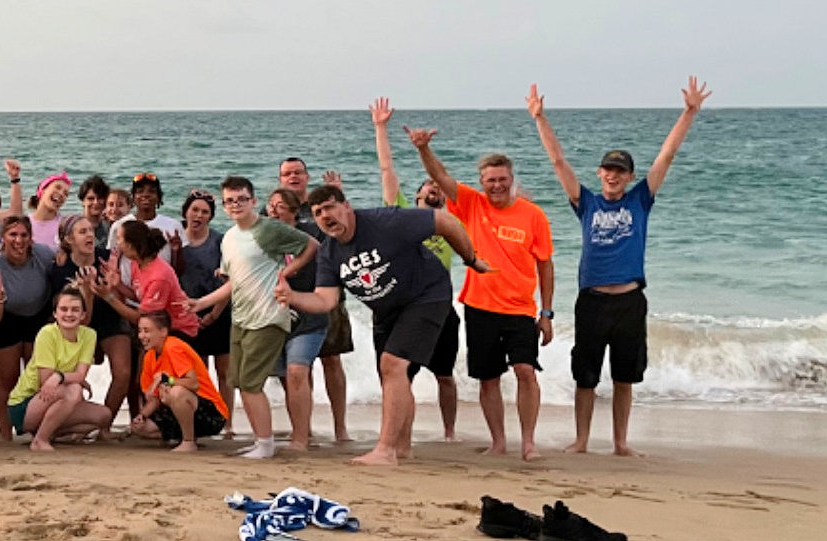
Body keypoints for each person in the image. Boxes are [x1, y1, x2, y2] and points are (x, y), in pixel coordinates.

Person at [528, 78, 711, 457]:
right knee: (586, 378)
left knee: (625, 377)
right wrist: (539, 118)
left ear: (628, 177)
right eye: (607, 170)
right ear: (599, 174)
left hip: (629, 301)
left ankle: (620, 443)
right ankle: (581, 440)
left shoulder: (641, 200)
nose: (613, 175)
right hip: (592, 302)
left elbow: (666, 157)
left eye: (620, 171)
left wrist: (689, 113)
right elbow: (558, 162)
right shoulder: (587, 203)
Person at [281, 185, 489, 466]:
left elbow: (445, 221)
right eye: (318, 213)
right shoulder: (329, 253)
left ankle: (386, 450)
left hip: (426, 296)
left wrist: (470, 259)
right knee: (393, 376)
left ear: (347, 206)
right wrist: (292, 297)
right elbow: (326, 300)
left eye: (330, 207)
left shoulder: (385, 221)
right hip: (386, 310)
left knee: (392, 365)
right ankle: (402, 447)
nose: (325, 216)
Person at [411, 126, 556, 462]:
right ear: (482, 183)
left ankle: (529, 443)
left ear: (511, 178)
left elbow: (546, 266)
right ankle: (499, 441)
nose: (497, 185)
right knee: (488, 378)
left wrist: (546, 314)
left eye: (502, 179)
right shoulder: (472, 205)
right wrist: (423, 149)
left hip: (520, 308)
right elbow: (440, 176)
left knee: (525, 371)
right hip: (480, 307)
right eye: (490, 180)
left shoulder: (533, 215)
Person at [188, 176, 317, 459]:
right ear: (224, 206)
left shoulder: (268, 229)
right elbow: (234, 281)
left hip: (269, 316)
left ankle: (266, 445)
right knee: (239, 381)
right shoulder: (230, 238)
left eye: (241, 199)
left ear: (253, 201)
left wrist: (285, 274)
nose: (236, 205)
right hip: (241, 318)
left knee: (250, 382)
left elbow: (311, 246)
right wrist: (202, 303)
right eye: (230, 201)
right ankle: (261, 441)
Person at [373, 98, 463, 442]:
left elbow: (450, 181)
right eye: (428, 186)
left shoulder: (451, 221)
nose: (434, 188)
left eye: (437, 187)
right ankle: (399, 435)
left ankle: (450, 432)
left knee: (445, 376)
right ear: (416, 196)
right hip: (404, 309)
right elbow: (387, 171)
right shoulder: (400, 218)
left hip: (441, 308)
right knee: (400, 376)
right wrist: (380, 128)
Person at [270, 157, 353, 445]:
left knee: (332, 361)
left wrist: (337, 195)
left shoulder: (321, 206)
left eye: (298, 172)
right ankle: (304, 428)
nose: (292, 177)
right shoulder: (274, 210)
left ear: (307, 176)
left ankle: (341, 428)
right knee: (296, 367)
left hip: (326, 295)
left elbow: (346, 235)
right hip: (289, 302)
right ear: (280, 179)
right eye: (286, 173)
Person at [94, 220, 199, 422]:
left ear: (133, 244)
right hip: (158, 327)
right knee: (143, 376)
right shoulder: (138, 263)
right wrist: (119, 286)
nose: (117, 244)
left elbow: (144, 317)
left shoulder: (158, 274)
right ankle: (148, 421)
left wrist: (109, 297)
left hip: (179, 329)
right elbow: (141, 296)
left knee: (153, 377)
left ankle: (167, 424)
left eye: (120, 239)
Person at [262, 187, 330, 451]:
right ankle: (302, 429)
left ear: (293, 211)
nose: (273, 210)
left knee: (297, 371)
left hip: (310, 316)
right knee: (284, 376)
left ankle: (300, 439)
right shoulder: (262, 237)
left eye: (279, 206)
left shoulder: (312, 233)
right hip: (276, 317)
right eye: (270, 206)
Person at [0, 216, 60, 441]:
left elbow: (63, 262)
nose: (19, 240)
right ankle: (5, 435)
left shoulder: (43, 255)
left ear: (31, 239)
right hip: (6, 320)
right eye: (13, 235)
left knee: (35, 377)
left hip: (38, 317)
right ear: (3, 238)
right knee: (7, 378)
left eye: (24, 235)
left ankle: (37, 429)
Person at [50, 215, 134, 424]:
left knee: (123, 372)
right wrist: (87, 292)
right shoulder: (61, 270)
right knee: (71, 376)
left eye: (90, 231)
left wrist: (114, 285)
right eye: (82, 232)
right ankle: (70, 420)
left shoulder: (108, 259)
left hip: (111, 319)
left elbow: (130, 293)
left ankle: (104, 424)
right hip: (77, 326)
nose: (90, 235)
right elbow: (79, 322)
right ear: (69, 240)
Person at [6, 288, 114, 452]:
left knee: (104, 416)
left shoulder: (89, 335)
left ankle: (51, 433)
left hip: (57, 395)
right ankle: (40, 440)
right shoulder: (47, 333)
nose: (69, 314)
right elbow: (46, 381)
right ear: (55, 313)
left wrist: (61, 376)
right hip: (25, 404)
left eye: (75, 310)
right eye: (63, 309)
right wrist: (67, 379)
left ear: (83, 314)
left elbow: (80, 374)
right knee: (74, 390)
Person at [176, 189, 237, 438]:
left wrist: (213, 313)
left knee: (225, 373)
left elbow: (230, 280)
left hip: (219, 313)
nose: (198, 215)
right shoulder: (176, 239)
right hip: (189, 316)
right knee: (198, 373)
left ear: (210, 217)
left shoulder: (220, 241)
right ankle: (204, 421)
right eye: (195, 210)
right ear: (186, 212)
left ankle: (228, 422)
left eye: (204, 212)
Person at [128, 311, 229, 452]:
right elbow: (154, 399)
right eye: (140, 331)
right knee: (141, 428)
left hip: (211, 411)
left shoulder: (173, 347)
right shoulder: (149, 356)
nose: (141, 336)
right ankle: (181, 436)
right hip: (181, 407)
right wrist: (142, 415)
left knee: (176, 392)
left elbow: (193, 384)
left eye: (147, 331)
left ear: (163, 332)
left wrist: (167, 379)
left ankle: (189, 441)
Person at [107, 173, 185, 264]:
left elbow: (179, 271)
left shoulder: (174, 226)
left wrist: (178, 251)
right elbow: (112, 261)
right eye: (140, 191)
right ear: (133, 198)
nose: (146, 194)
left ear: (159, 197)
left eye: (152, 191)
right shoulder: (119, 226)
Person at [27, 170, 71, 250]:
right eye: (57, 187)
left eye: (66, 194)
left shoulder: (65, 226)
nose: (61, 194)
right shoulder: (25, 223)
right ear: (43, 190)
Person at [76, 175, 113, 250]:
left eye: (100, 198)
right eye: (91, 198)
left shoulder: (111, 227)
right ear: (83, 201)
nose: (96, 202)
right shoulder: (74, 227)